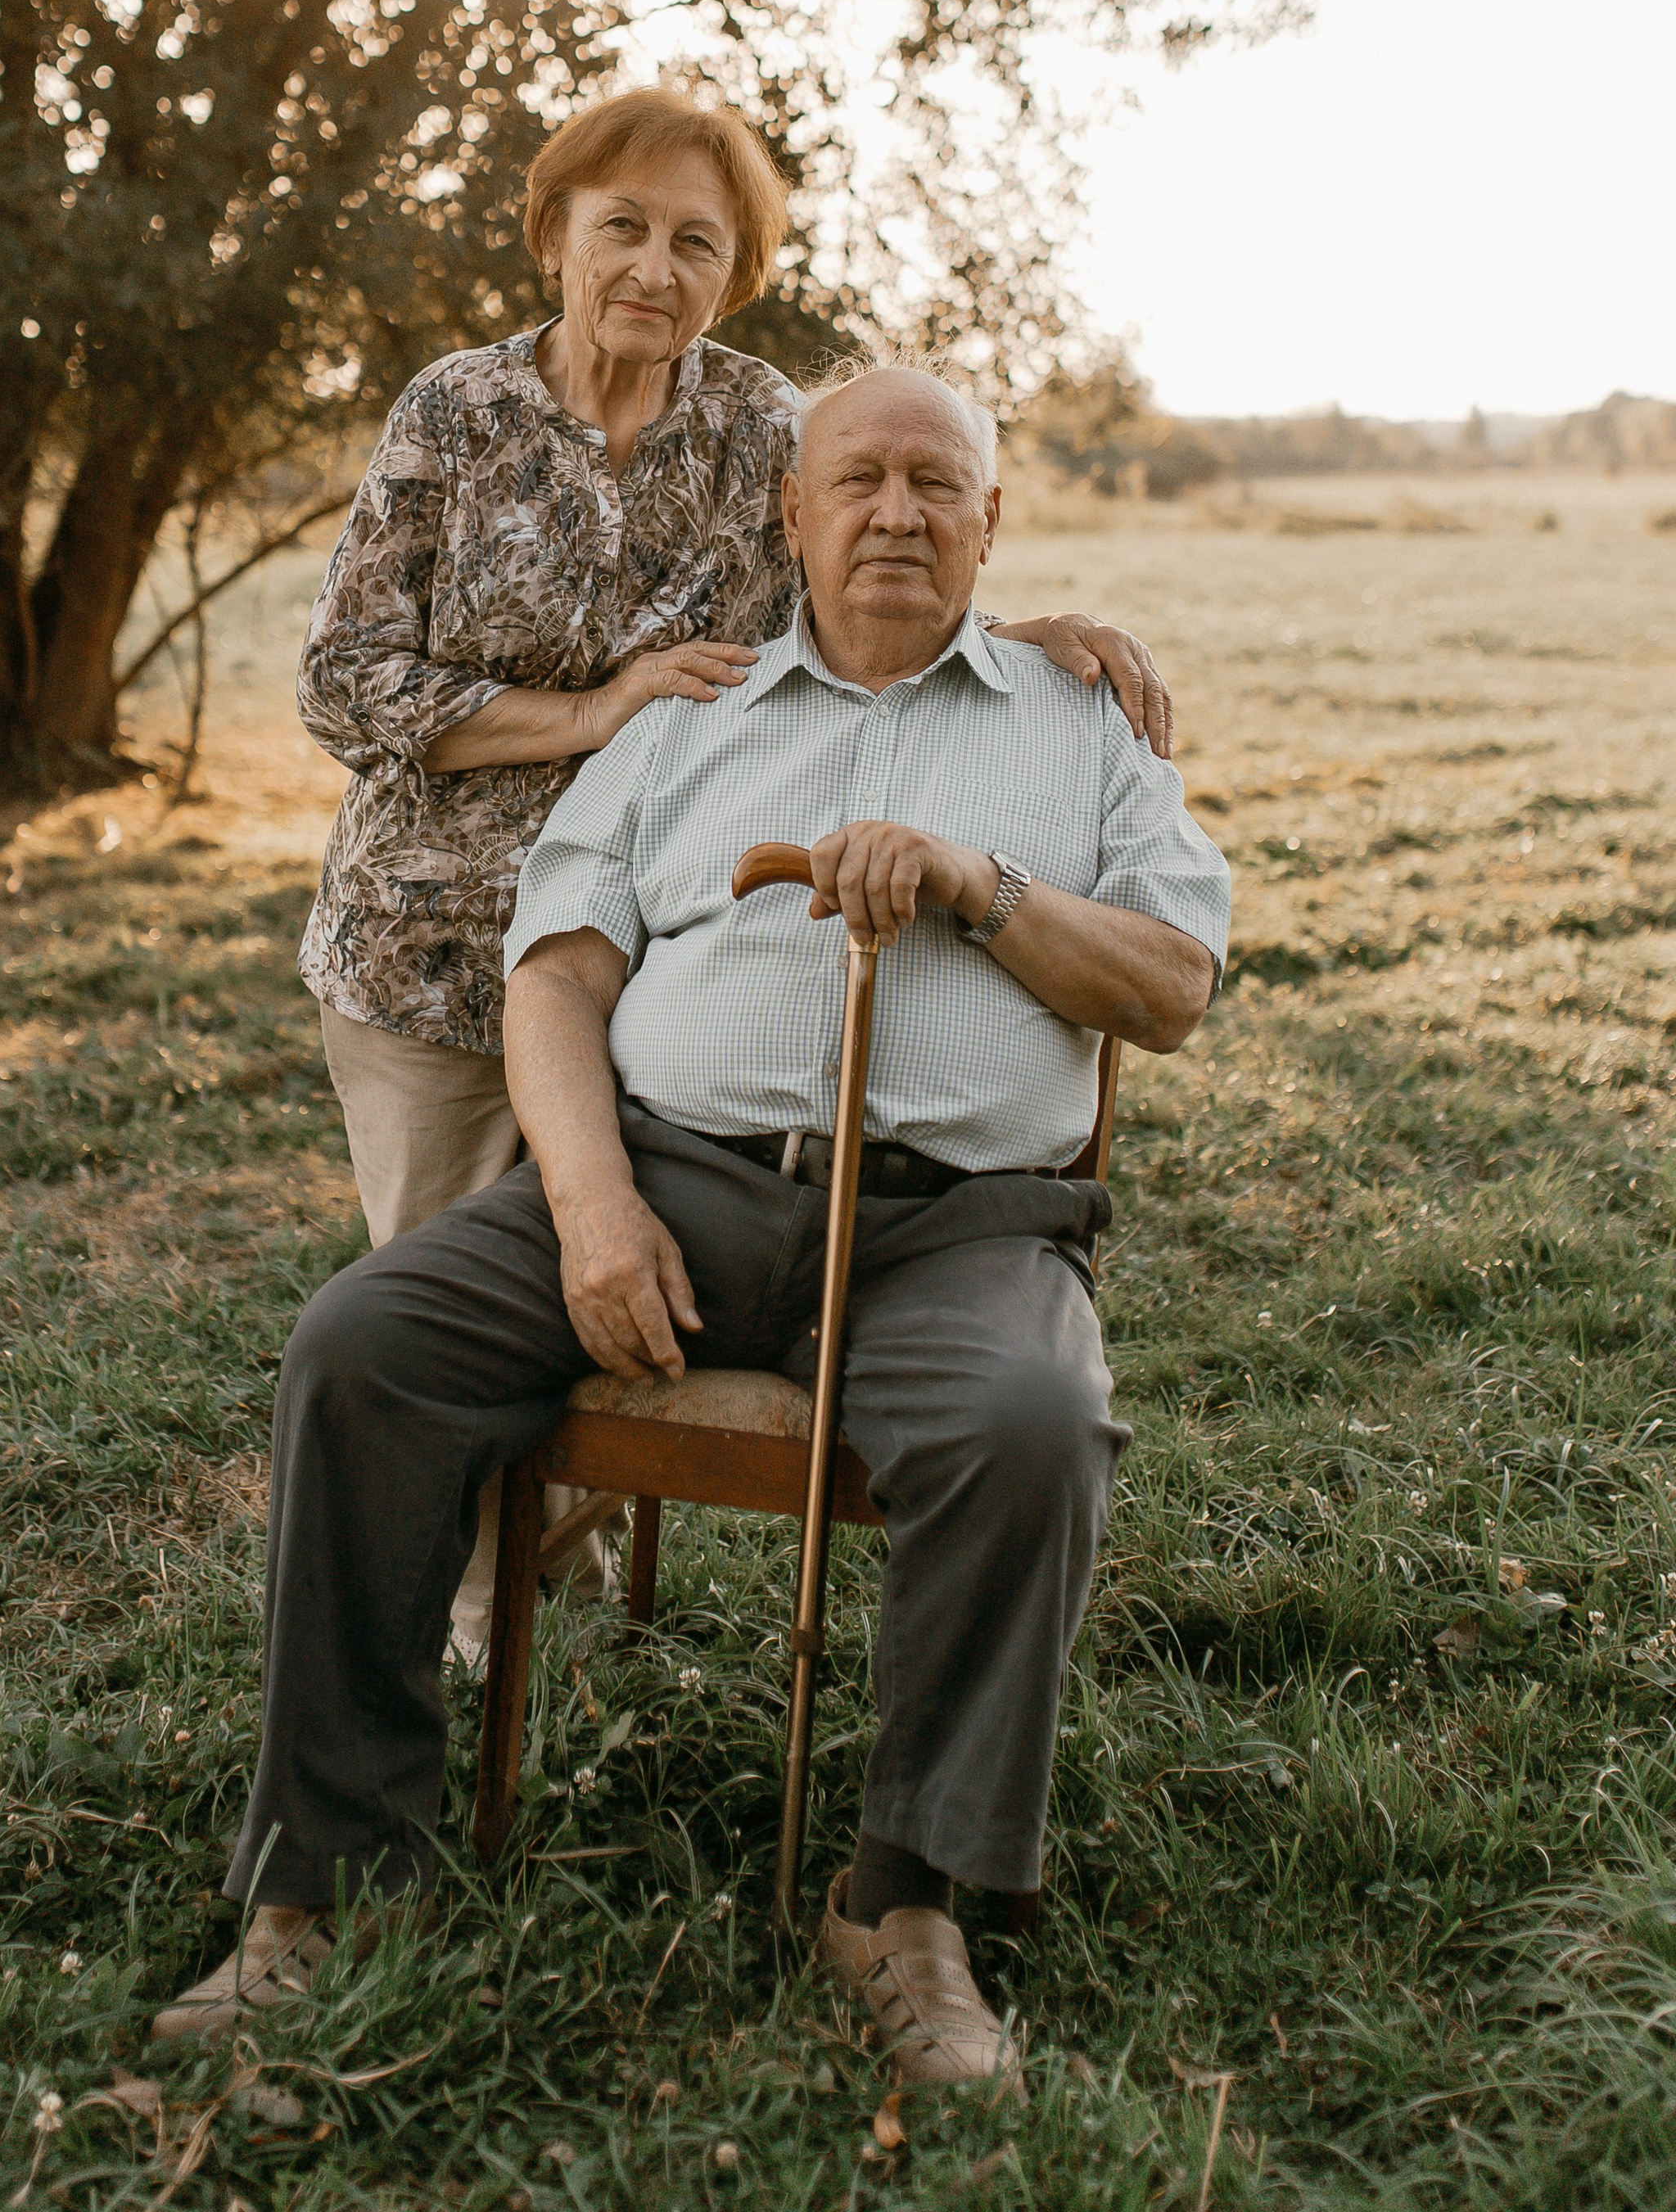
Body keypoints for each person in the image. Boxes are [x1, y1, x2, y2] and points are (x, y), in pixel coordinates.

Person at [156, 363, 1230, 2082]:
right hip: (665, 1177)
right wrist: (584, 1207)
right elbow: (558, 975)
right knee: (363, 1345)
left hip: (956, 1230)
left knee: (1031, 1423)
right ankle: (330, 1883)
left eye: (934, 484)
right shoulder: (685, 721)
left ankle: (905, 1904)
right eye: (855, 482)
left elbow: (1171, 985)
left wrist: (980, 888)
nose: (895, 514)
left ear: (989, 519)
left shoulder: (1076, 724)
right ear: (789, 519)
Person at [292, 83, 1174, 1644]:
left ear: (735, 271)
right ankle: (486, 1618)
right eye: (620, 226)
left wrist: (1025, 637)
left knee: (641, 1276)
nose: (652, 266)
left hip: (680, 929)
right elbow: (345, 682)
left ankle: (567, 1561)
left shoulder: (760, 424)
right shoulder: (455, 412)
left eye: (697, 241)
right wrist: (595, 707)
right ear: (556, 234)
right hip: (436, 945)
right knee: (465, 1306)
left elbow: (872, 554)